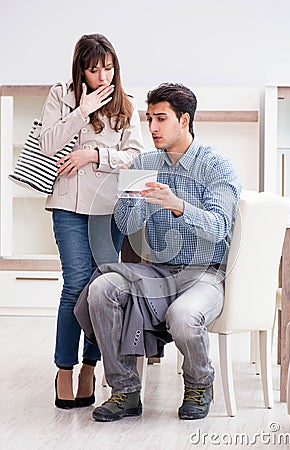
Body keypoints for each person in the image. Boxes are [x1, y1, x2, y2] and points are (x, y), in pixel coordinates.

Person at [87, 82, 241, 421]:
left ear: (183, 120)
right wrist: (141, 199)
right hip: (157, 269)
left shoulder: (217, 166)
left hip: (206, 272)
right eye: (149, 118)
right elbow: (127, 225)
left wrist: (177, 205)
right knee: (102, 289)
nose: (152, 128)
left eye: (161, 119)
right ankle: (125, 390)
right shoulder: (144, 162)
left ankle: (200, 383)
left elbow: (218, 227)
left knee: (183, 316)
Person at [39, 34, 144, 409]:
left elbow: (135, 155)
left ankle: (90, 365)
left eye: (109, 67)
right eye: (95, 68)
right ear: (80, 69)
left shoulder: (126, 104)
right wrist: (80, 112)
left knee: (100, 290)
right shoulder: (61, 96)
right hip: (67, 205)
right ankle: (64, 369)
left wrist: (94, 154)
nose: (103, 76)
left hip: (107, 210)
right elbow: (47, 144)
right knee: (75, 284)